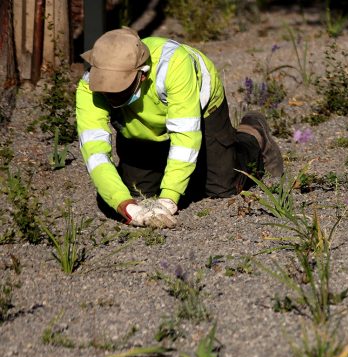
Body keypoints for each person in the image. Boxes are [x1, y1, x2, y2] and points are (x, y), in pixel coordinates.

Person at [76, 28, 283, 227]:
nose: (112, 97)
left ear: (142, 75)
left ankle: (252, 134)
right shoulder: (89, 86)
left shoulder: (175, 65)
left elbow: (185, 138)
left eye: (119, 90)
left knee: (222, 186)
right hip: (141, 129)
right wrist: (125, 205)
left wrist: (168, 199)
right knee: (139, 193)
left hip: (201, 107)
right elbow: (95, 153)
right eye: (107, 91)